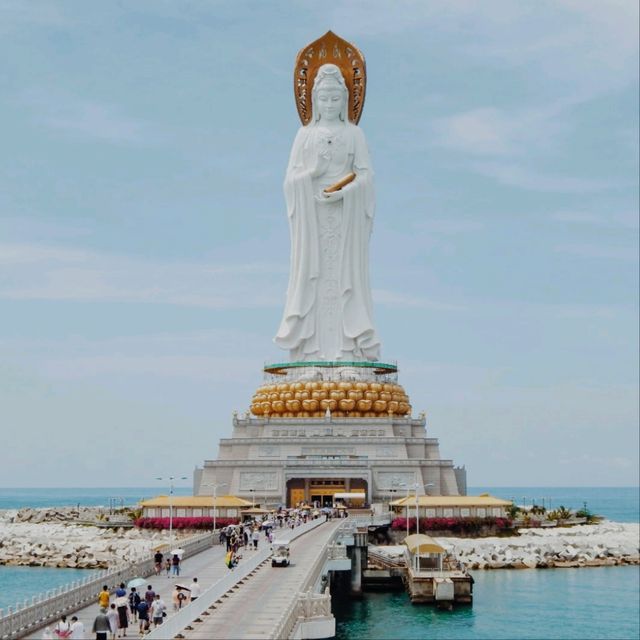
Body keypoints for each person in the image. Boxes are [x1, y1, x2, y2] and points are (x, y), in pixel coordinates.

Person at [274, 63, 380, 362]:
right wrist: (313, 173)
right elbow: (289, 181)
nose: (330, 105)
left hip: (346, 218)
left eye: (336, 99)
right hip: (312, 219)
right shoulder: (304, 136)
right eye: (324, 99)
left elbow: (366, 177)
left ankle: (348, 350)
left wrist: (346, 191)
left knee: (346, 279)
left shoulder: (355, 134)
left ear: (345, 100)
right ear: (315, 101)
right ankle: (309, 353)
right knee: (313, 278)